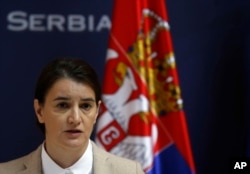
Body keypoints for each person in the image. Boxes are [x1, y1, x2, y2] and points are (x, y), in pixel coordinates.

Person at [0, 58, 144, 174]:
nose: (75, 119)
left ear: (97, 112)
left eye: (85, 106)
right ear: (39, 111)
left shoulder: (131, 172)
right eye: (63, 105)